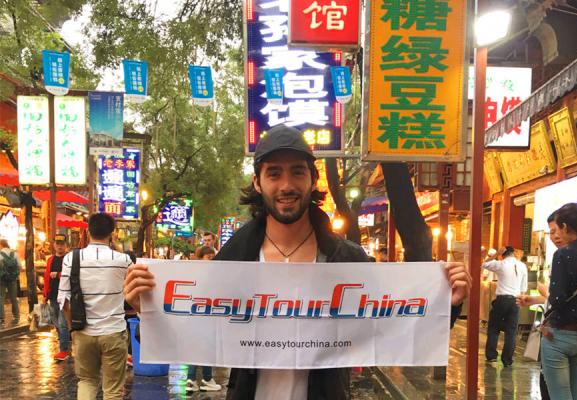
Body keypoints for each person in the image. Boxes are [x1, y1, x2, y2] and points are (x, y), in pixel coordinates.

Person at [124, 125, 471, 399]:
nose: (286, 185)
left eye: (297, 172)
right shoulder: (235, 257)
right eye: (274, 173)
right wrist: (149, 310)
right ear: (258, 182)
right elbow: (196, 331)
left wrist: (446, 302)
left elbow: (392, 328)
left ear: (312, 179)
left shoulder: (347, 260)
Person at [519, 210, 577, 400]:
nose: (556, 235)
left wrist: (544, 291)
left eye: (557, 229)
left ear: (564, 226)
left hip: (559, 336)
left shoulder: (563, 254)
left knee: (559, 395)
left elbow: (557, 299)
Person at [58, 213, 133, 400]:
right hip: (114, 332)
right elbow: (135, 294)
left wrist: (72, 329)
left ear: (87, 231)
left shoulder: (71, 258)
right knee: (113, 390)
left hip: (83, 333)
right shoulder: (124, 261)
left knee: (87, 381)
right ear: (112, 233)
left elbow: (64, 300)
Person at [482, 245, 528, 367]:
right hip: (516, 300)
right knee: (511, 332)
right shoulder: (522, 266)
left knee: (494, 328)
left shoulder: (501, 264)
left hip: (502, 300)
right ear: (513, 253)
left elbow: (484, 264)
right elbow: (523, 288)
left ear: (503, 255)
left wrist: (497, 253)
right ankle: (507, 360)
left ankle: (491, 356)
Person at [186, 245, 222, 392]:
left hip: (197, 315)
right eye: (209, 257)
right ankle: (206, 379)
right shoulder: (207, 275)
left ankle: (193, 379)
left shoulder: (194, 273)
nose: (212, 260)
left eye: (213, 257)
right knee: (205, 348)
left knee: (200, 348)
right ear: (200, 258)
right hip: (203, 316)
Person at [43, 234, 71, 361]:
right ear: (54, 245)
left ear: (66, 245)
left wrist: (59, 274)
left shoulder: (69, 259)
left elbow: (72, 275)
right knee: (56, 322)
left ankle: (64, 350)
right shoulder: (50, 260)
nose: (60, 246)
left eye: (62, 244)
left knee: (62, 322)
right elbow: (46, 278)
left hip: (65, 296)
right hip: (53, 295)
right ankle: (65, 342)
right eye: (57, 244)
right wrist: (45, 294)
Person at [0, 238, 20, 321]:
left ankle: (1, 317)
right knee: (14, 298)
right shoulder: (14, 253)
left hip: (2, 278)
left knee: (1, 297)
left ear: (1, 245)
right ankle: (16, 315)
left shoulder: (0, 254)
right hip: (13, 278)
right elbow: (19, 265)